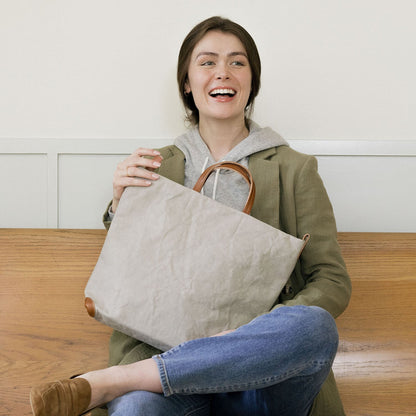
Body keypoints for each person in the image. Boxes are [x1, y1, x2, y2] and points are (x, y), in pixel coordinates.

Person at [30, 16, 351, 416]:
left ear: (252, 81)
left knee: (316, 327)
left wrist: (247, 337)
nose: (223, 72)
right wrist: (120, 206)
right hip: (166, 373)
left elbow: (333, 281)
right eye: (207, 62)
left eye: (238, 62)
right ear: (186, 81)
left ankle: (117, 381)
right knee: (135, 412)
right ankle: (145, 379)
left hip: (260, 379)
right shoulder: (155, 166)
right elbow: (130, 268)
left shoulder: (294, 169)